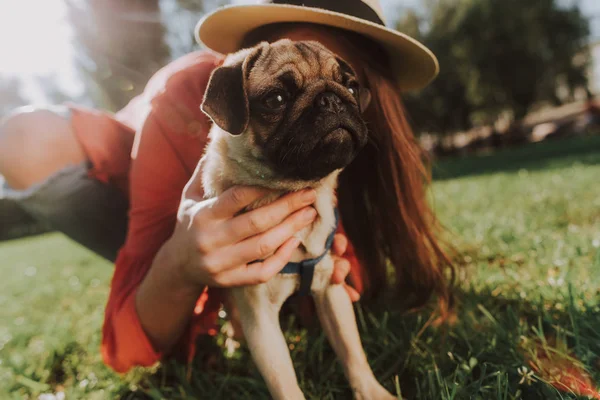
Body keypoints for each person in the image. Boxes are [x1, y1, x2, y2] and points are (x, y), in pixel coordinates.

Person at [0, 0, 454, 373]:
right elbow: (126, 349)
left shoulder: (361, 145)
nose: (327, 107)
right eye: (281, 94)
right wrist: (179, 264)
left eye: (344, 86)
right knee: (23, 140)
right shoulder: (182, 103)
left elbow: (348, 278)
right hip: (123, 170)